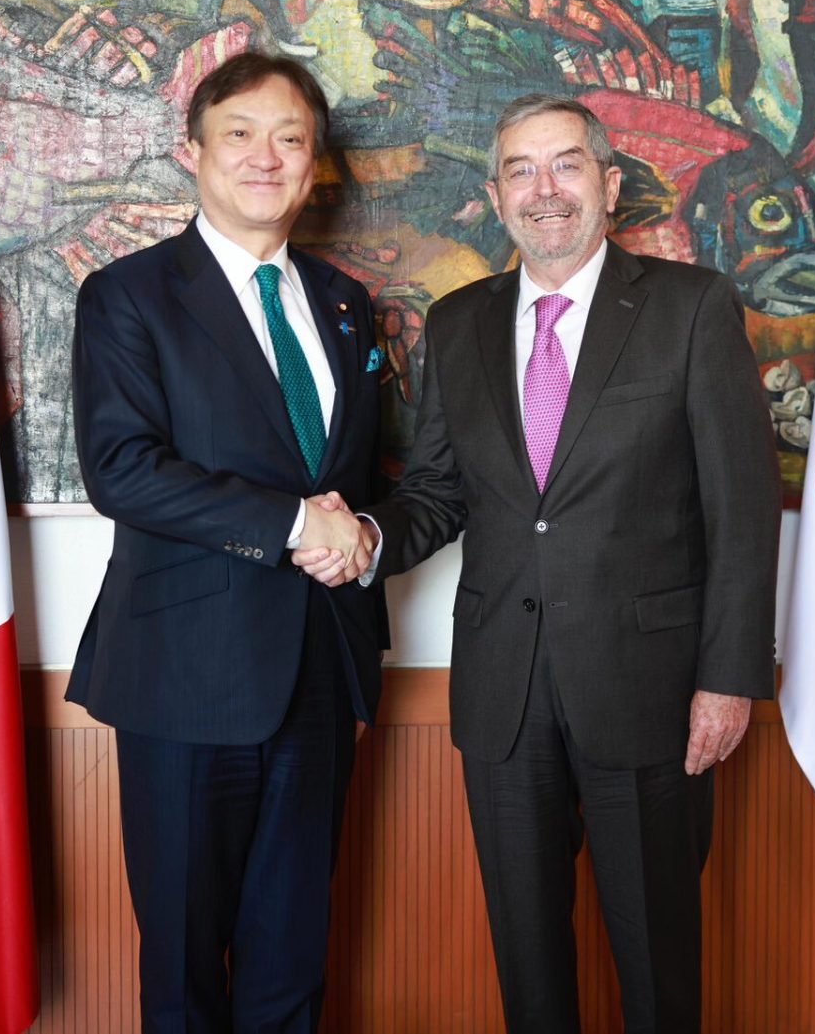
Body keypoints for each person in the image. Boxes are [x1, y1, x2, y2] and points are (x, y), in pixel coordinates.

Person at [299, 93, 780, 1032]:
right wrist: (366, 537)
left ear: (610, 183)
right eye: (520, 170)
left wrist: (728, 680)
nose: (544, 188)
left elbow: (742, 509)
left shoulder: (690, 308)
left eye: (566, 164)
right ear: (494, 196)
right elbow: (437, 492)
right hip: (503, 697)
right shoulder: (458, 323)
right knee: (529, 976)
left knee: (658, 973)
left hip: (650, 693)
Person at [67, 50, 384, 1033]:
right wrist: (293, 524)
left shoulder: (344, 303)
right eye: (239, 134)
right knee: (186, 970)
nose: (265, 156)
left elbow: (357, 481)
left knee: (293, 965)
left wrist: (360, 535)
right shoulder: (127, 296)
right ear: (191, 154)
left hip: (320, 678)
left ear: (314, 165)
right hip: (184, 679)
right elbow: (122, 470)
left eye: (290, 139)